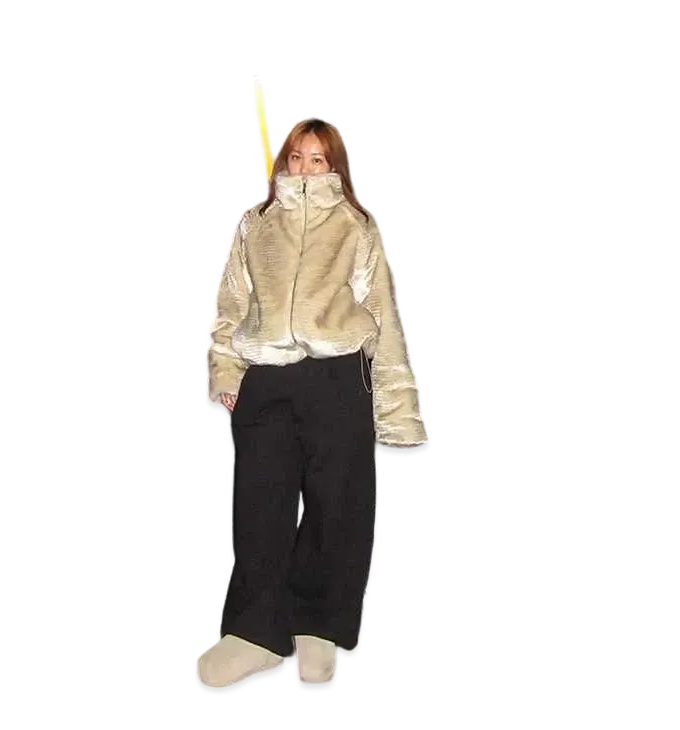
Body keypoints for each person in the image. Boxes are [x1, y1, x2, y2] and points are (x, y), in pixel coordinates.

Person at [199, 117, 428, 688]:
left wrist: (398, 412)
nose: (304, 169)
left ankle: (319, 625)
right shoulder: (255, 224)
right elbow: (230, 306)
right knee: (260, 506)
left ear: (335, 167)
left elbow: (384, 317)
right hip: (267, 380)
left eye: (317, 159)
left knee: (338, 504)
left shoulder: (357, 227)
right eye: (296, 157)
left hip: (336, 378)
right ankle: (256, 634)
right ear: (282, 163)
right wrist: (226, 370)